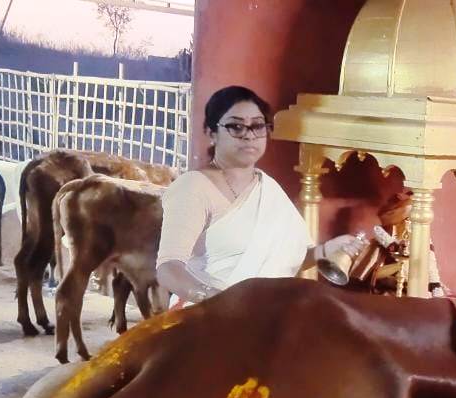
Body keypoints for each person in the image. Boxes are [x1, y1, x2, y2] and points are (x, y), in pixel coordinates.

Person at [156, 86, 366, 306]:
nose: (249, 135)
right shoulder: (193, 187)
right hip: (208, 315)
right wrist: (218, 301)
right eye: (236, 127)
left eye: (257, 126)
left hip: (264, 312)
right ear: (211, 133)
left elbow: (285, 260)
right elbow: (168, 268)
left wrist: (326, 250)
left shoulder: (268, 188)